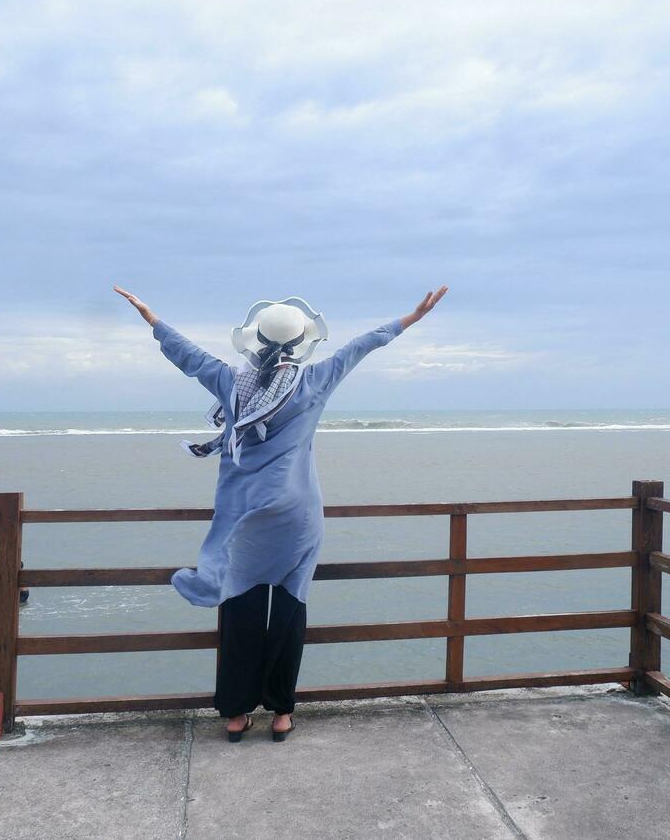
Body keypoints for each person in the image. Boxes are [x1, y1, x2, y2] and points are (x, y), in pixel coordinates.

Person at [114, 284, 448, 742]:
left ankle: (235, 714)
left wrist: (151, 318)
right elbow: (360, 346)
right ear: (300, 343)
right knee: (289, 608)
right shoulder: (314, 381)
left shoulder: (231, 382)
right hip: (297, 516)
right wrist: (410, 318)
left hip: (242, 515)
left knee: (239, 605)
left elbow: (186, 355)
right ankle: (282, 713)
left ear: (256, 340)